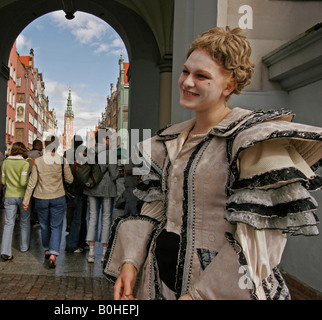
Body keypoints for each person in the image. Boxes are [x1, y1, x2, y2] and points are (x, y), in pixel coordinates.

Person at [104, 26, 322, 300]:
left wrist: (200, 296)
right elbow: (156, 207)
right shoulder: (169, 141)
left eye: (202, 76)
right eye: (185, 71)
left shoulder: (251, 141)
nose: (186, 82)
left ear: (228, 85)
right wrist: (131, 261)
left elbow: (261, 238)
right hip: (159, 285)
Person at [23, 136, 73, 268]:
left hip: (41, 197)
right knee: (56, 226)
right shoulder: (62, 160)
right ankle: (53, 254)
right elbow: (70, 180)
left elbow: (32, 182)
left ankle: (46, 249)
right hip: (58, 196)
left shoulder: (39, 161)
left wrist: (26, 199)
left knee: (44, 225)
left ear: (45, 145)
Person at [84, 128, 118, 263]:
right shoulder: (110, 153)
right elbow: (114, 174)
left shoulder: (89, 152)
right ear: (105, 139)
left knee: (92, 218)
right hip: (107, 189)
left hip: (91, 188)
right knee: (106, 219)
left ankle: (91, 253)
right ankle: (104, 253)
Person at [0, 142, 31, 261]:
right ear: (22, 150)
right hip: (23, 196)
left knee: (8, 224)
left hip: (9, 195)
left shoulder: (5, 162)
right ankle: (24, 247)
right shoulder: (24, 163)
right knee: (24, 221)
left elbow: (3, 181)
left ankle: (5, 251)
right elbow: (23, 182)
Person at [64, 135, 88, 253]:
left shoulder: (66, 154)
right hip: (81, 188)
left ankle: (72, 234)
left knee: (72, 213)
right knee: (81, 217)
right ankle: (79, 242)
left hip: (70, 188)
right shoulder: (83, 154)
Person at [26, 139, 43, 225]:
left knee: (29, 199)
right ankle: (35, 217)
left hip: (28, 179)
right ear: (39, 145)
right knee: (36, 200)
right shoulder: (40, 155)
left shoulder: (27, 154)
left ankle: (29, 216)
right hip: (36, 180)